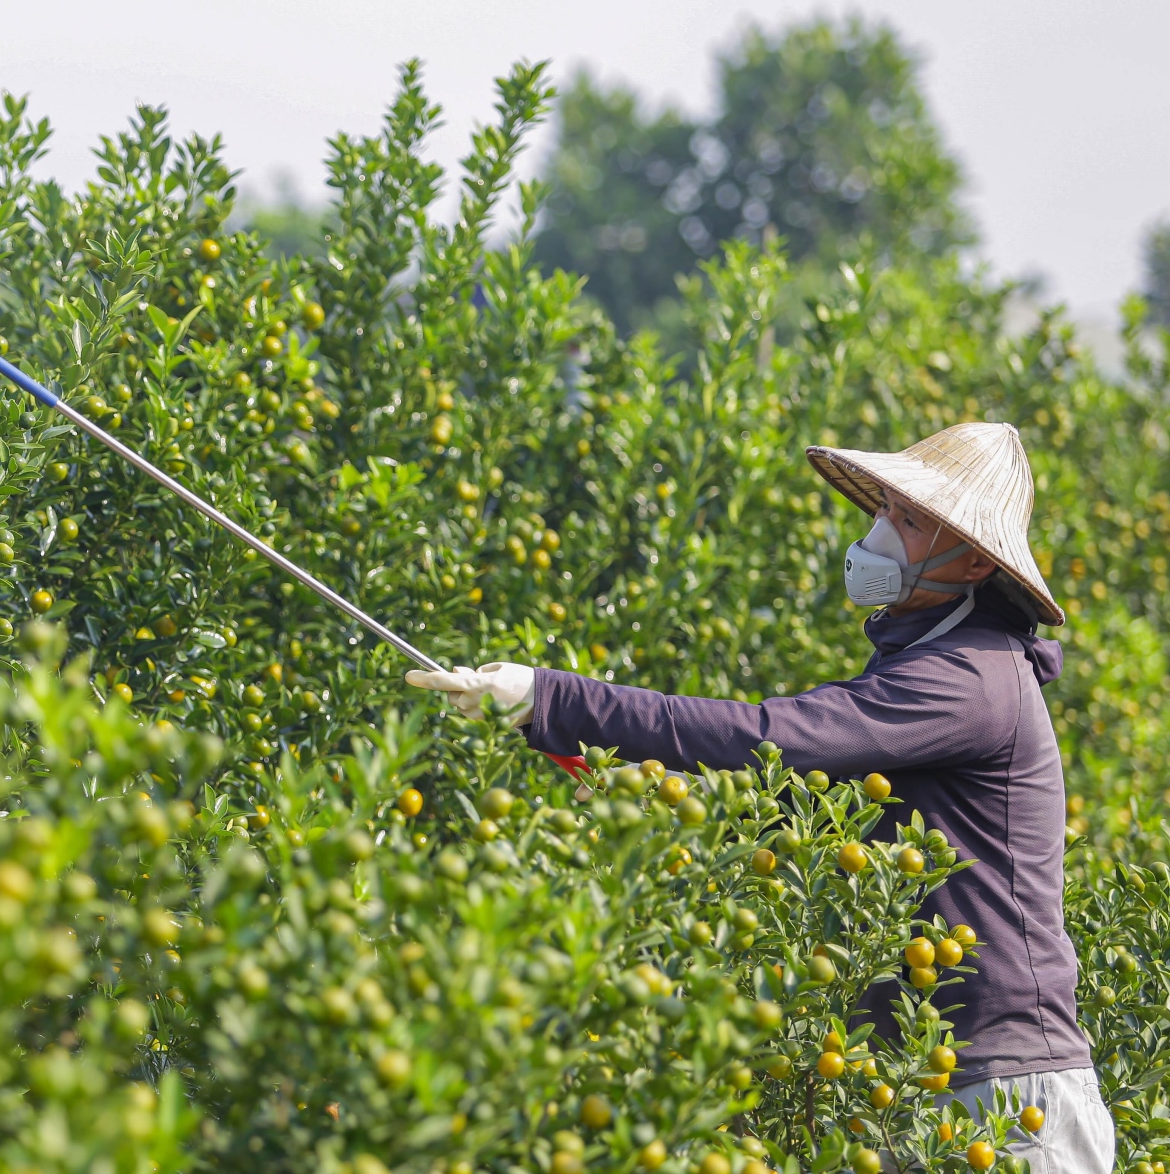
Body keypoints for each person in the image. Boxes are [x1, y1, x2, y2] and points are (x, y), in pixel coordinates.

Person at [406, 421, 1114, 1174]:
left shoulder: (971, 678)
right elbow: (791, 809)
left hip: (1005, 1101)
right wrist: (600, 760)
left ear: (973, 561)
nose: (879, 532)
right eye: (883, 510)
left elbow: (770, 740)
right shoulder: (935, 661)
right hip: (916, 1086)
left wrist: (555, 697)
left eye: (906, 521)